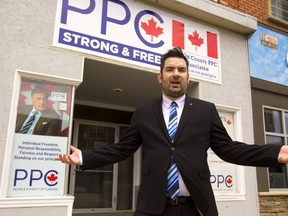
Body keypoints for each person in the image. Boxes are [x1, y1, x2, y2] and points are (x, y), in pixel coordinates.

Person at [56, 47, 288, 216]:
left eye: (181, 69)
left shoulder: (205, 111)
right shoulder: (144, 112)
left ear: (188, 77)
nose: (176, 73)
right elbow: (122, 149)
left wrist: (276, 153)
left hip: (196, 207)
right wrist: (85, 156)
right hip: (153, 206)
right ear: (160, 77)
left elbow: (228, 149)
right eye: (170, 69)